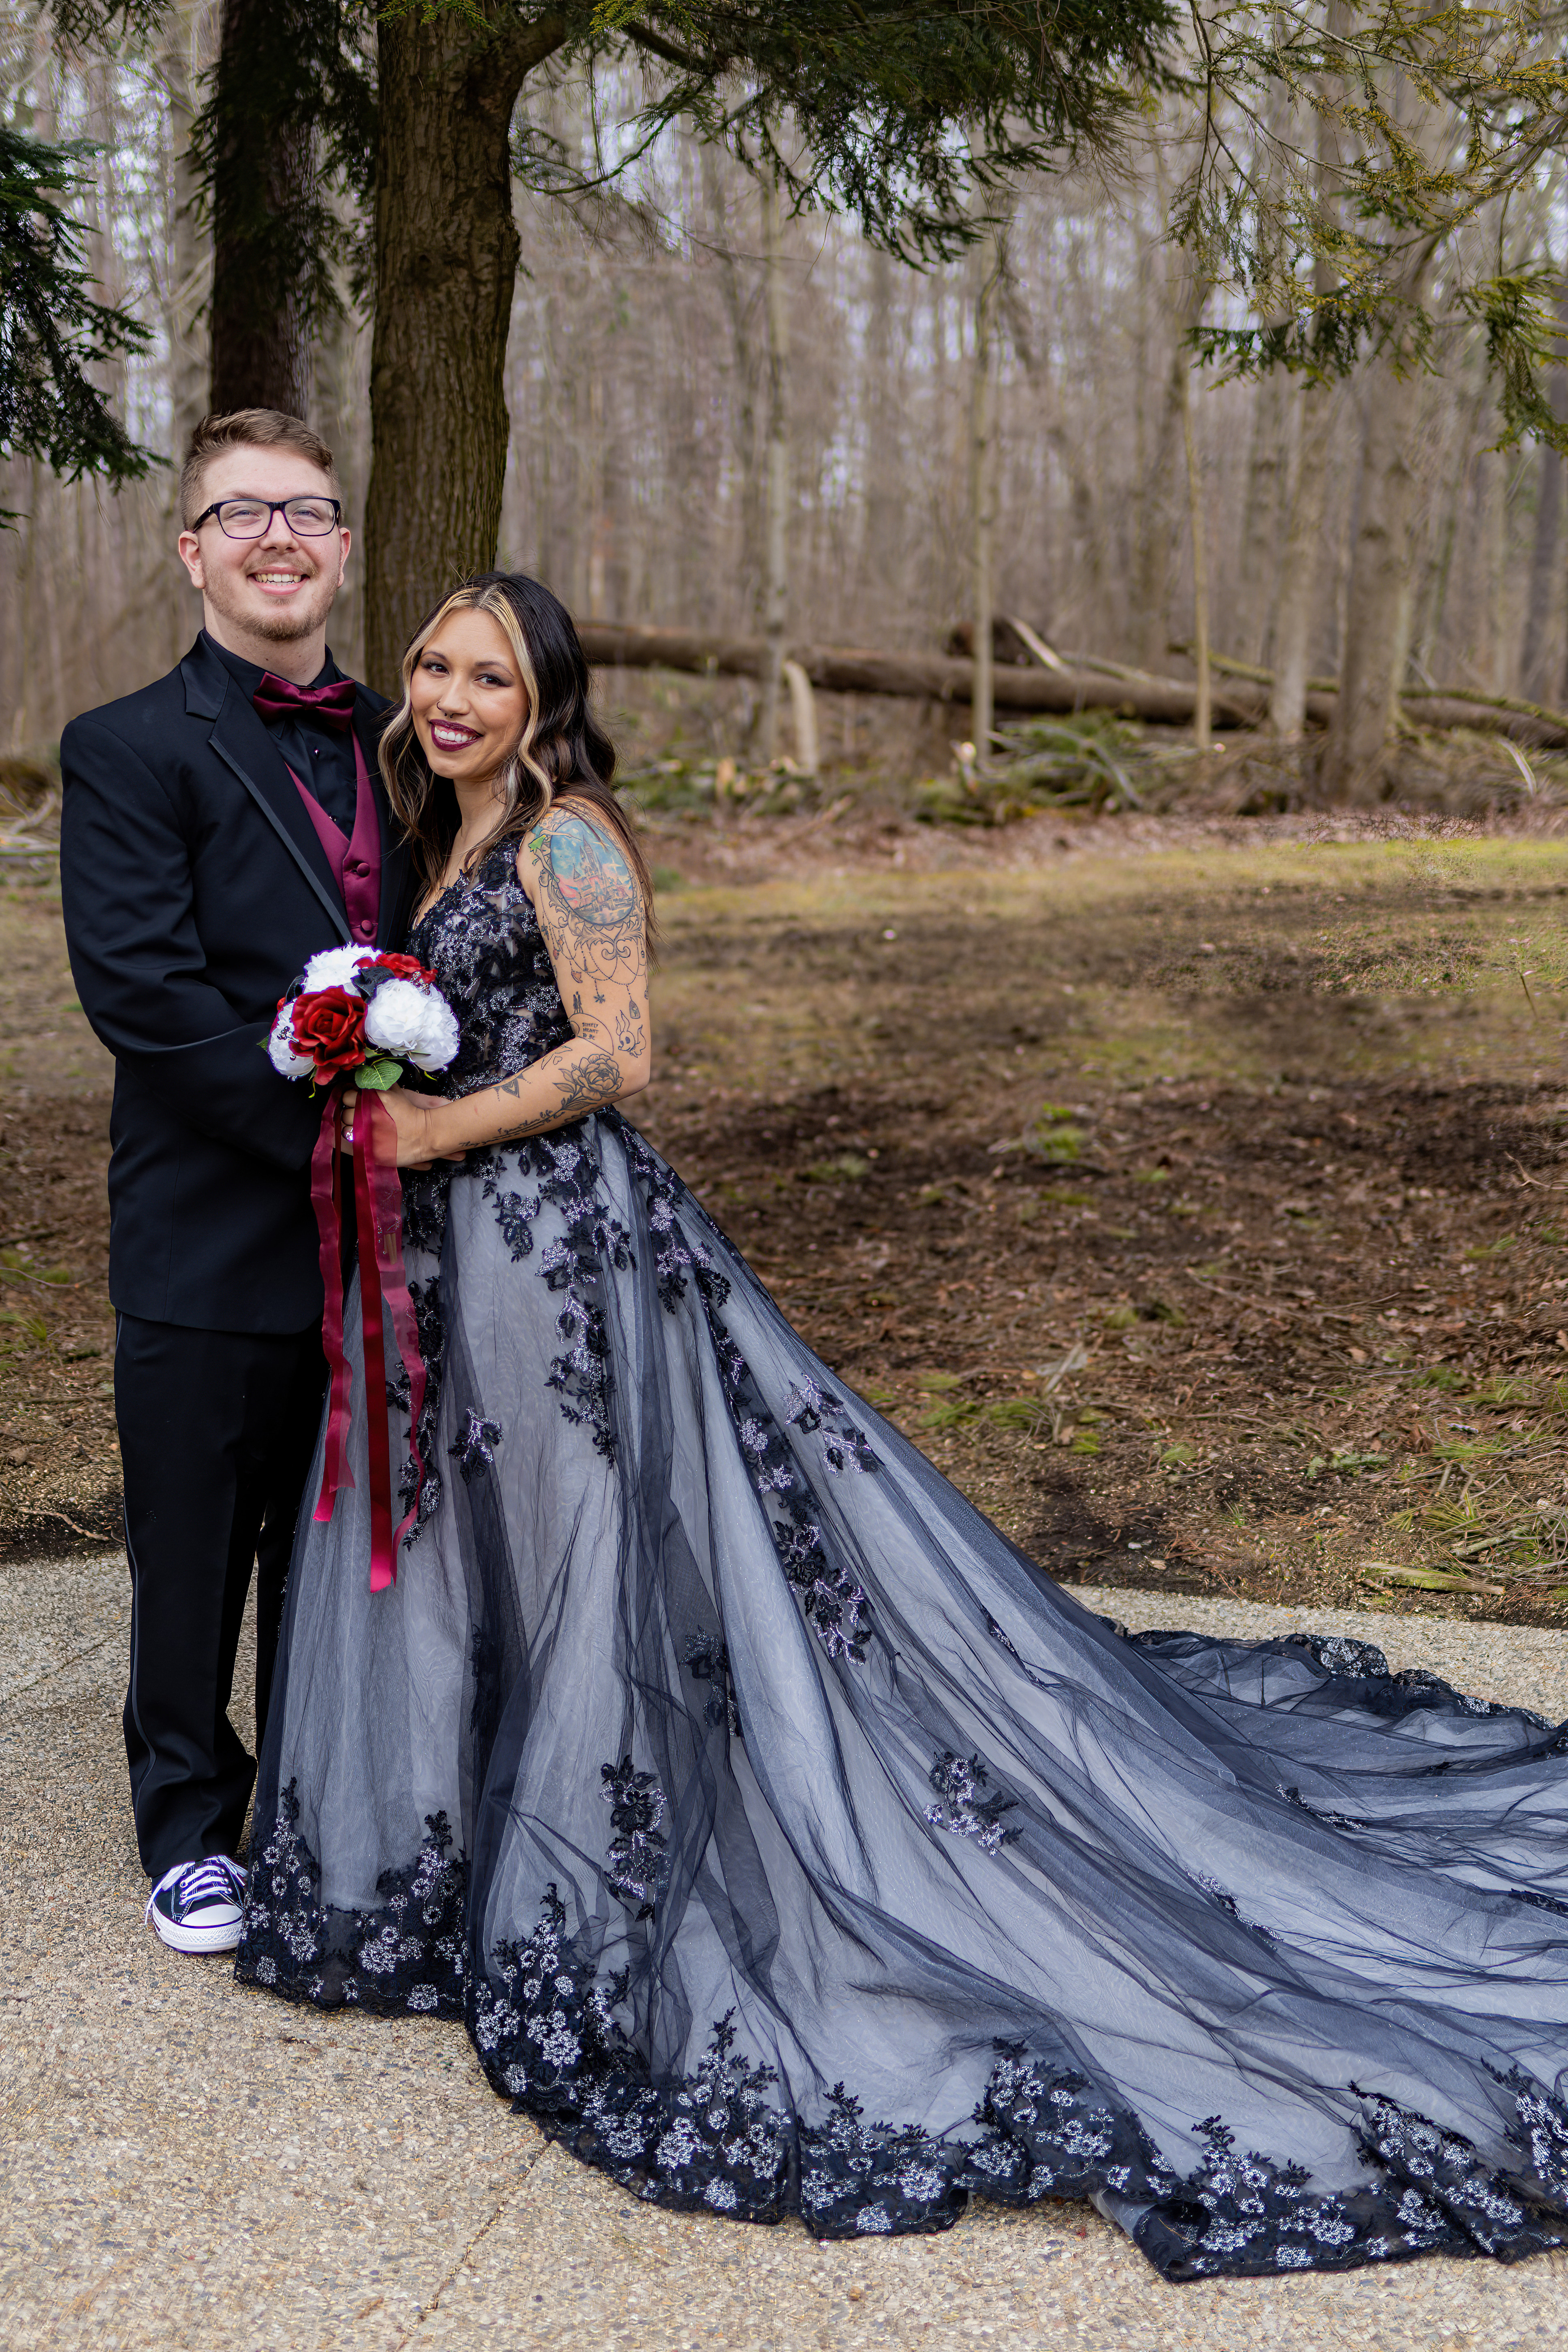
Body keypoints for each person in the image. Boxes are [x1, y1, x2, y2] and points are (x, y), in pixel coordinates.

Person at [238, 571, 1568, 2282]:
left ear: (545, 697)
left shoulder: (567, 844)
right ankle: (468, 1856)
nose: (446, 694)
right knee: (476, 1551)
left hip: (564, 1260)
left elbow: (624, 1050)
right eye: (431, 664)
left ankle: (604, 1855)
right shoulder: (425, 840)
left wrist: (439, 1129)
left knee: (591, 1562)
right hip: (448, 1272)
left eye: (486, 674)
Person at [60, 409, 412, 1956]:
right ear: (193, 547)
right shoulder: (128, 746)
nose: (282, 537)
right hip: (212, 1226)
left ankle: (325, 1805)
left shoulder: (412, 741)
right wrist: (333, 1143)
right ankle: (190, 1825)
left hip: (401, 1233)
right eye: (244, 512)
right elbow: (148, 998)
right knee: (195, 1542)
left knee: (340, 1540)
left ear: (342, 547)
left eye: (311, 511)